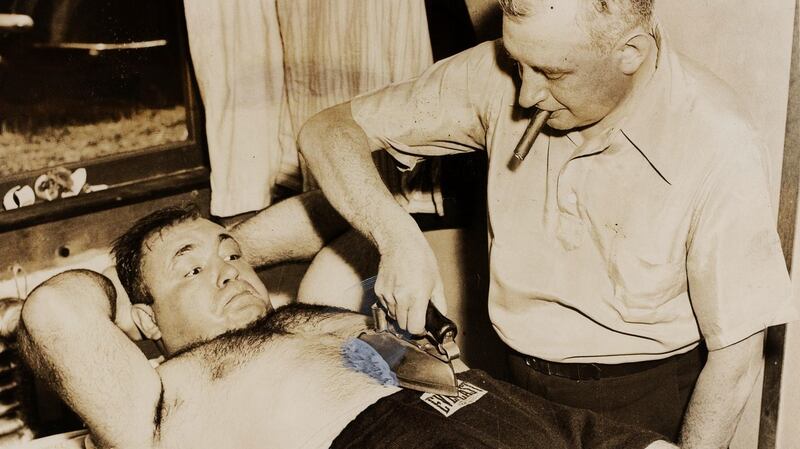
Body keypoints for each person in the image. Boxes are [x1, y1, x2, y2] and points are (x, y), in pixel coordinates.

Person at [296, 0, 798, 446]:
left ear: (631, 53)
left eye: (552, 73)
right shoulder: (509, 73)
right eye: (518, 64)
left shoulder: (717, 141)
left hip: (647, 399)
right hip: (517, 378)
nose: (526, 95)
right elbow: (327, 131)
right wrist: (397, 237)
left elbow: (735, 363)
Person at [18, 205, 674, 449]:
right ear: (141, 319)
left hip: (539, 422)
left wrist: (222, 242)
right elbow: (53, 310)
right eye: (190, 271)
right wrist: (127, 271)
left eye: (232, 258)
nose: (226, 272)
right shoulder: (159, 398)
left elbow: (348, 227)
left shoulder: (315, 314)